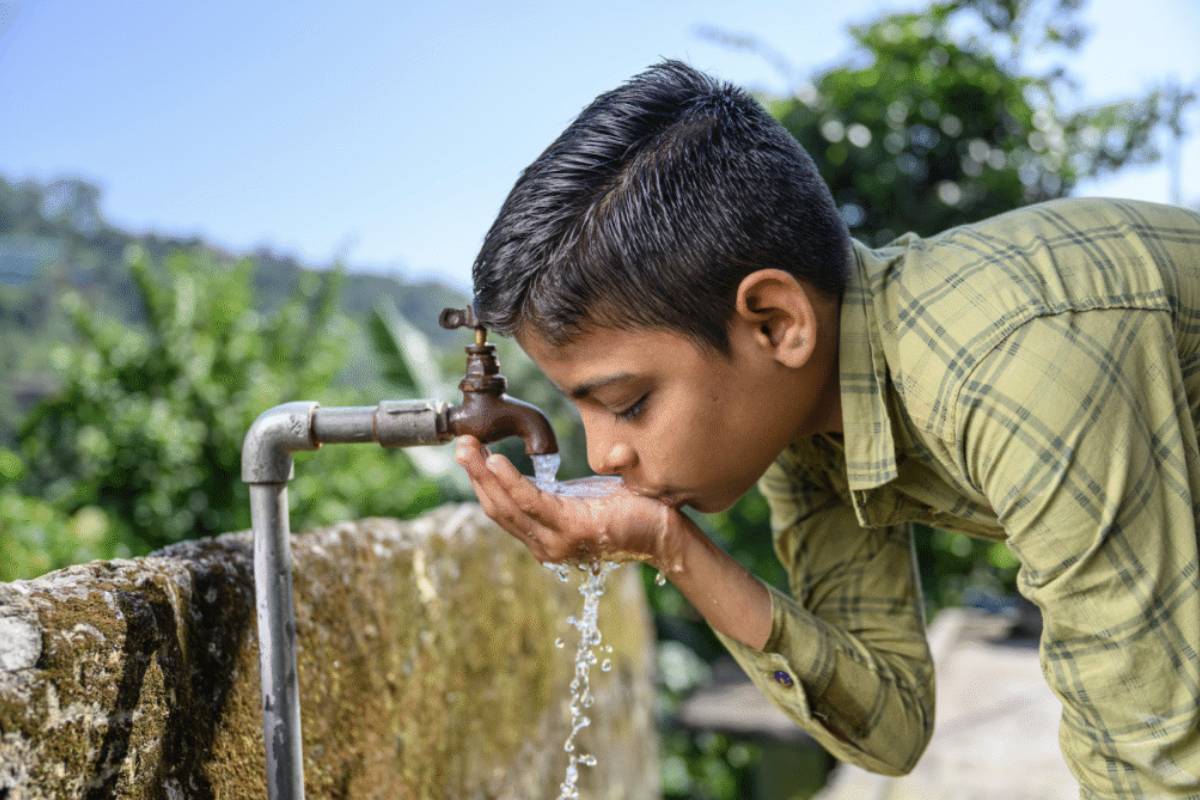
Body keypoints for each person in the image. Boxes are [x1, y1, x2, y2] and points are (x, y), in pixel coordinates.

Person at [453, 59, 1200, 796]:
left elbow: (1153, 757)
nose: (605, 453)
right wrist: (666, 544)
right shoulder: (806, 423)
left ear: (776, 323)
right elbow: (891, 726)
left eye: (628, 401)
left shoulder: (1003, 365)